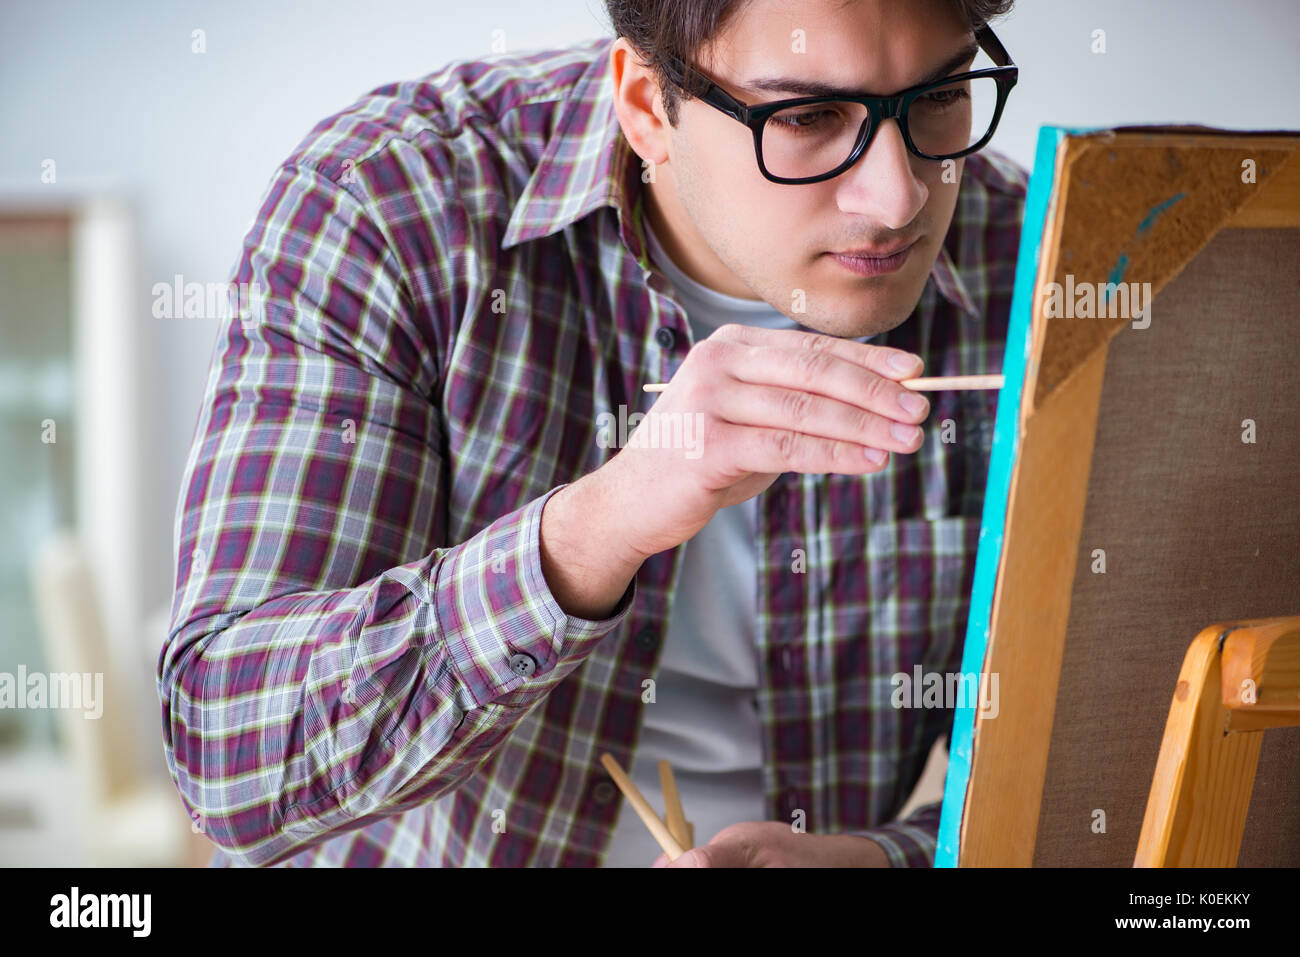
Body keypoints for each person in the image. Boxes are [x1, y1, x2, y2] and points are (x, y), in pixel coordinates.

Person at [158, 0, 1026, 867]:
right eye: (807, 117)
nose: (898, 195)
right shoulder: (390, 202)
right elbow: (229, 756)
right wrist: (603, 523)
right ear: (648, 106)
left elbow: (1094, 764)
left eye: (940, 95)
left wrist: (884, 861)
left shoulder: (1027, 258)